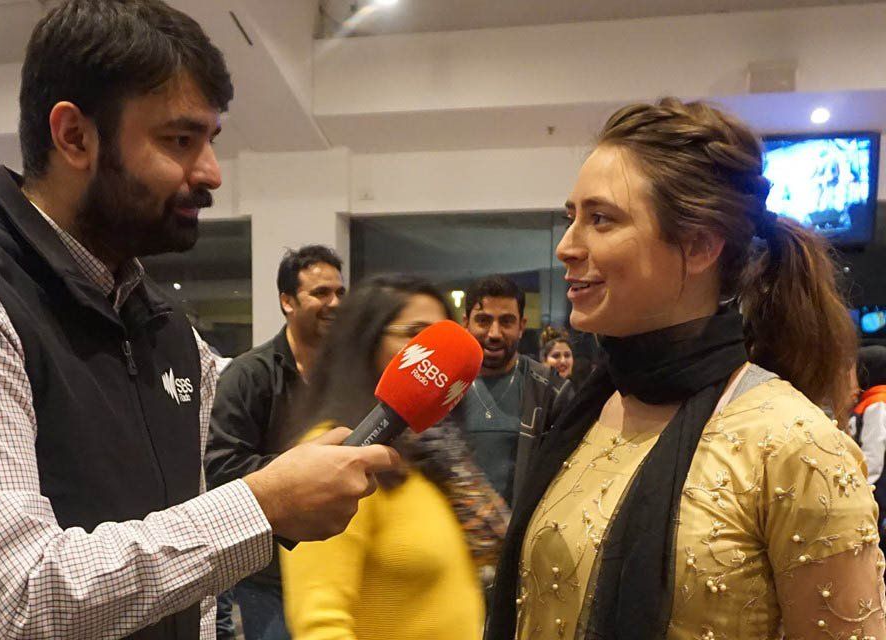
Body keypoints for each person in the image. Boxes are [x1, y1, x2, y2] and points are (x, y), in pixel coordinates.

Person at [0, 2, 399, 639]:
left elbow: (188, 565)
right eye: (179, 140)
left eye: (210, 141)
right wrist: (265, 503)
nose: (209, 173)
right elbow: (17, 602)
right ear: (74, 136)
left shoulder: (168, 328)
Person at [486, 98, 883, 640]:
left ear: (697, 246)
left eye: (601, 219)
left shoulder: (793, 444)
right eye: (571, 217)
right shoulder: (590, 408)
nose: (566, 246)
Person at [279, 275, 508, 640]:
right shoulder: (337, 457)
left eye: (440, 336)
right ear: (364, 343)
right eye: (416, 333)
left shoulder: (431, 453)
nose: (435, 356)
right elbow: (320, 623)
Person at [206, 244, 345, 640]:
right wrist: (301, 473)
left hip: (339, 567)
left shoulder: (351, 375)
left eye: (339, 293)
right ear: (287, 301)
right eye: (320, 293)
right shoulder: (248, 376)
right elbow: (221, 467)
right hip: (271, 574)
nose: (334, 303)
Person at [457, 275, 563, 508]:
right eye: (483, 320)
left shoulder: (549, 390)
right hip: (450, 537)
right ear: (466, 323)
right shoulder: (442, 385)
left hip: (520, 537)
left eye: (506, 321)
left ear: (521, 326)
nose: (494, 333)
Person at [850, 345, 886, 552]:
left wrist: (863, 491)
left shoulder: (878, 403)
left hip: (876, 492)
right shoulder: (870, 401)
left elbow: (874, 454)